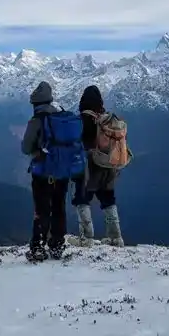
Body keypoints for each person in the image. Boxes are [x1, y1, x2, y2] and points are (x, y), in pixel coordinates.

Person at [21, 81, 80, 260]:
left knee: (42, 209)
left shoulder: (36, 120)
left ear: (35, 104)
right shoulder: (61, 117)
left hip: (42, 172)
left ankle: (38, 247)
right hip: (62, 172)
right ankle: (57, 244)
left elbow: (25, 147)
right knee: (59, 206)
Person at [73, 85, 125, 247]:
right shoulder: (107, 118)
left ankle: (86, 237)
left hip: (90, 166)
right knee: (108, 199)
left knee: (82, 199)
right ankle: (116, 237)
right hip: (109, 166)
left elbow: (78, 142)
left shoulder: (84, 119)